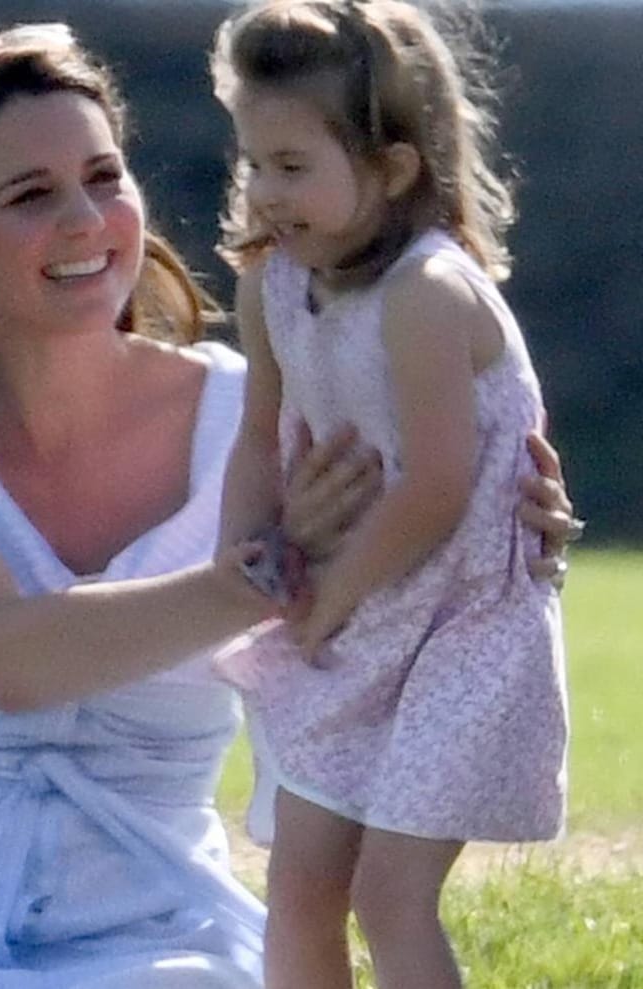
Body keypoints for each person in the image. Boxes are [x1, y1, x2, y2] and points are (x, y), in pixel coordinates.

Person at [0, 22, 580, 989]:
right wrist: (260, 578)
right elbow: (5, 656)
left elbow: (417, 539)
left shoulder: (252, 410)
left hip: (163, 943)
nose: (86, 220)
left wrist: (508, 528)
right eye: (32, 195)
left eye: (106, 179)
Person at [207, 3, 568, 987]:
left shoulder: (425, 292)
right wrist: (241, 562)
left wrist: (329, 600)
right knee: (300, 886)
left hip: (461, 622)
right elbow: (257, 437)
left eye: (292, 167)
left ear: (394, 170)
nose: (263, 192)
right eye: (251, 163)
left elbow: (439, 489)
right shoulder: (271, 284)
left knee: (391, 892)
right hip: (355, 618)